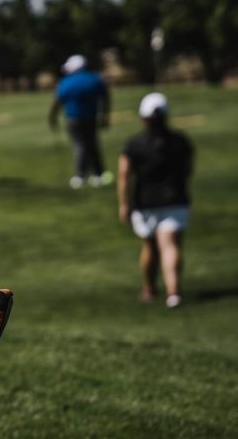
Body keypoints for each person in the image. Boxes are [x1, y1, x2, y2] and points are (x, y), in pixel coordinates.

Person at [117, 92, 193, 308]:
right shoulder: (180, 142)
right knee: (170, 245)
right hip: (176, 199)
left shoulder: (134, 144)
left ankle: (150, 288)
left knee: (151, 246)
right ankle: (173, 292)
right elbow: (188, 170)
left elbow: (124, 175)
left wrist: (124, 203)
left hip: (146, 202)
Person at [49, 54, 112, 189]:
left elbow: (57, 101)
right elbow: (105, 97)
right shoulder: (95, 79)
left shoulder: (66, 82)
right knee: (92, 143)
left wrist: (52, 117)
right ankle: (98, 174)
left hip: (73, 118)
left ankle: (80, 176)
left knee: (79, 145)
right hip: (91, 117)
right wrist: (105, 116)